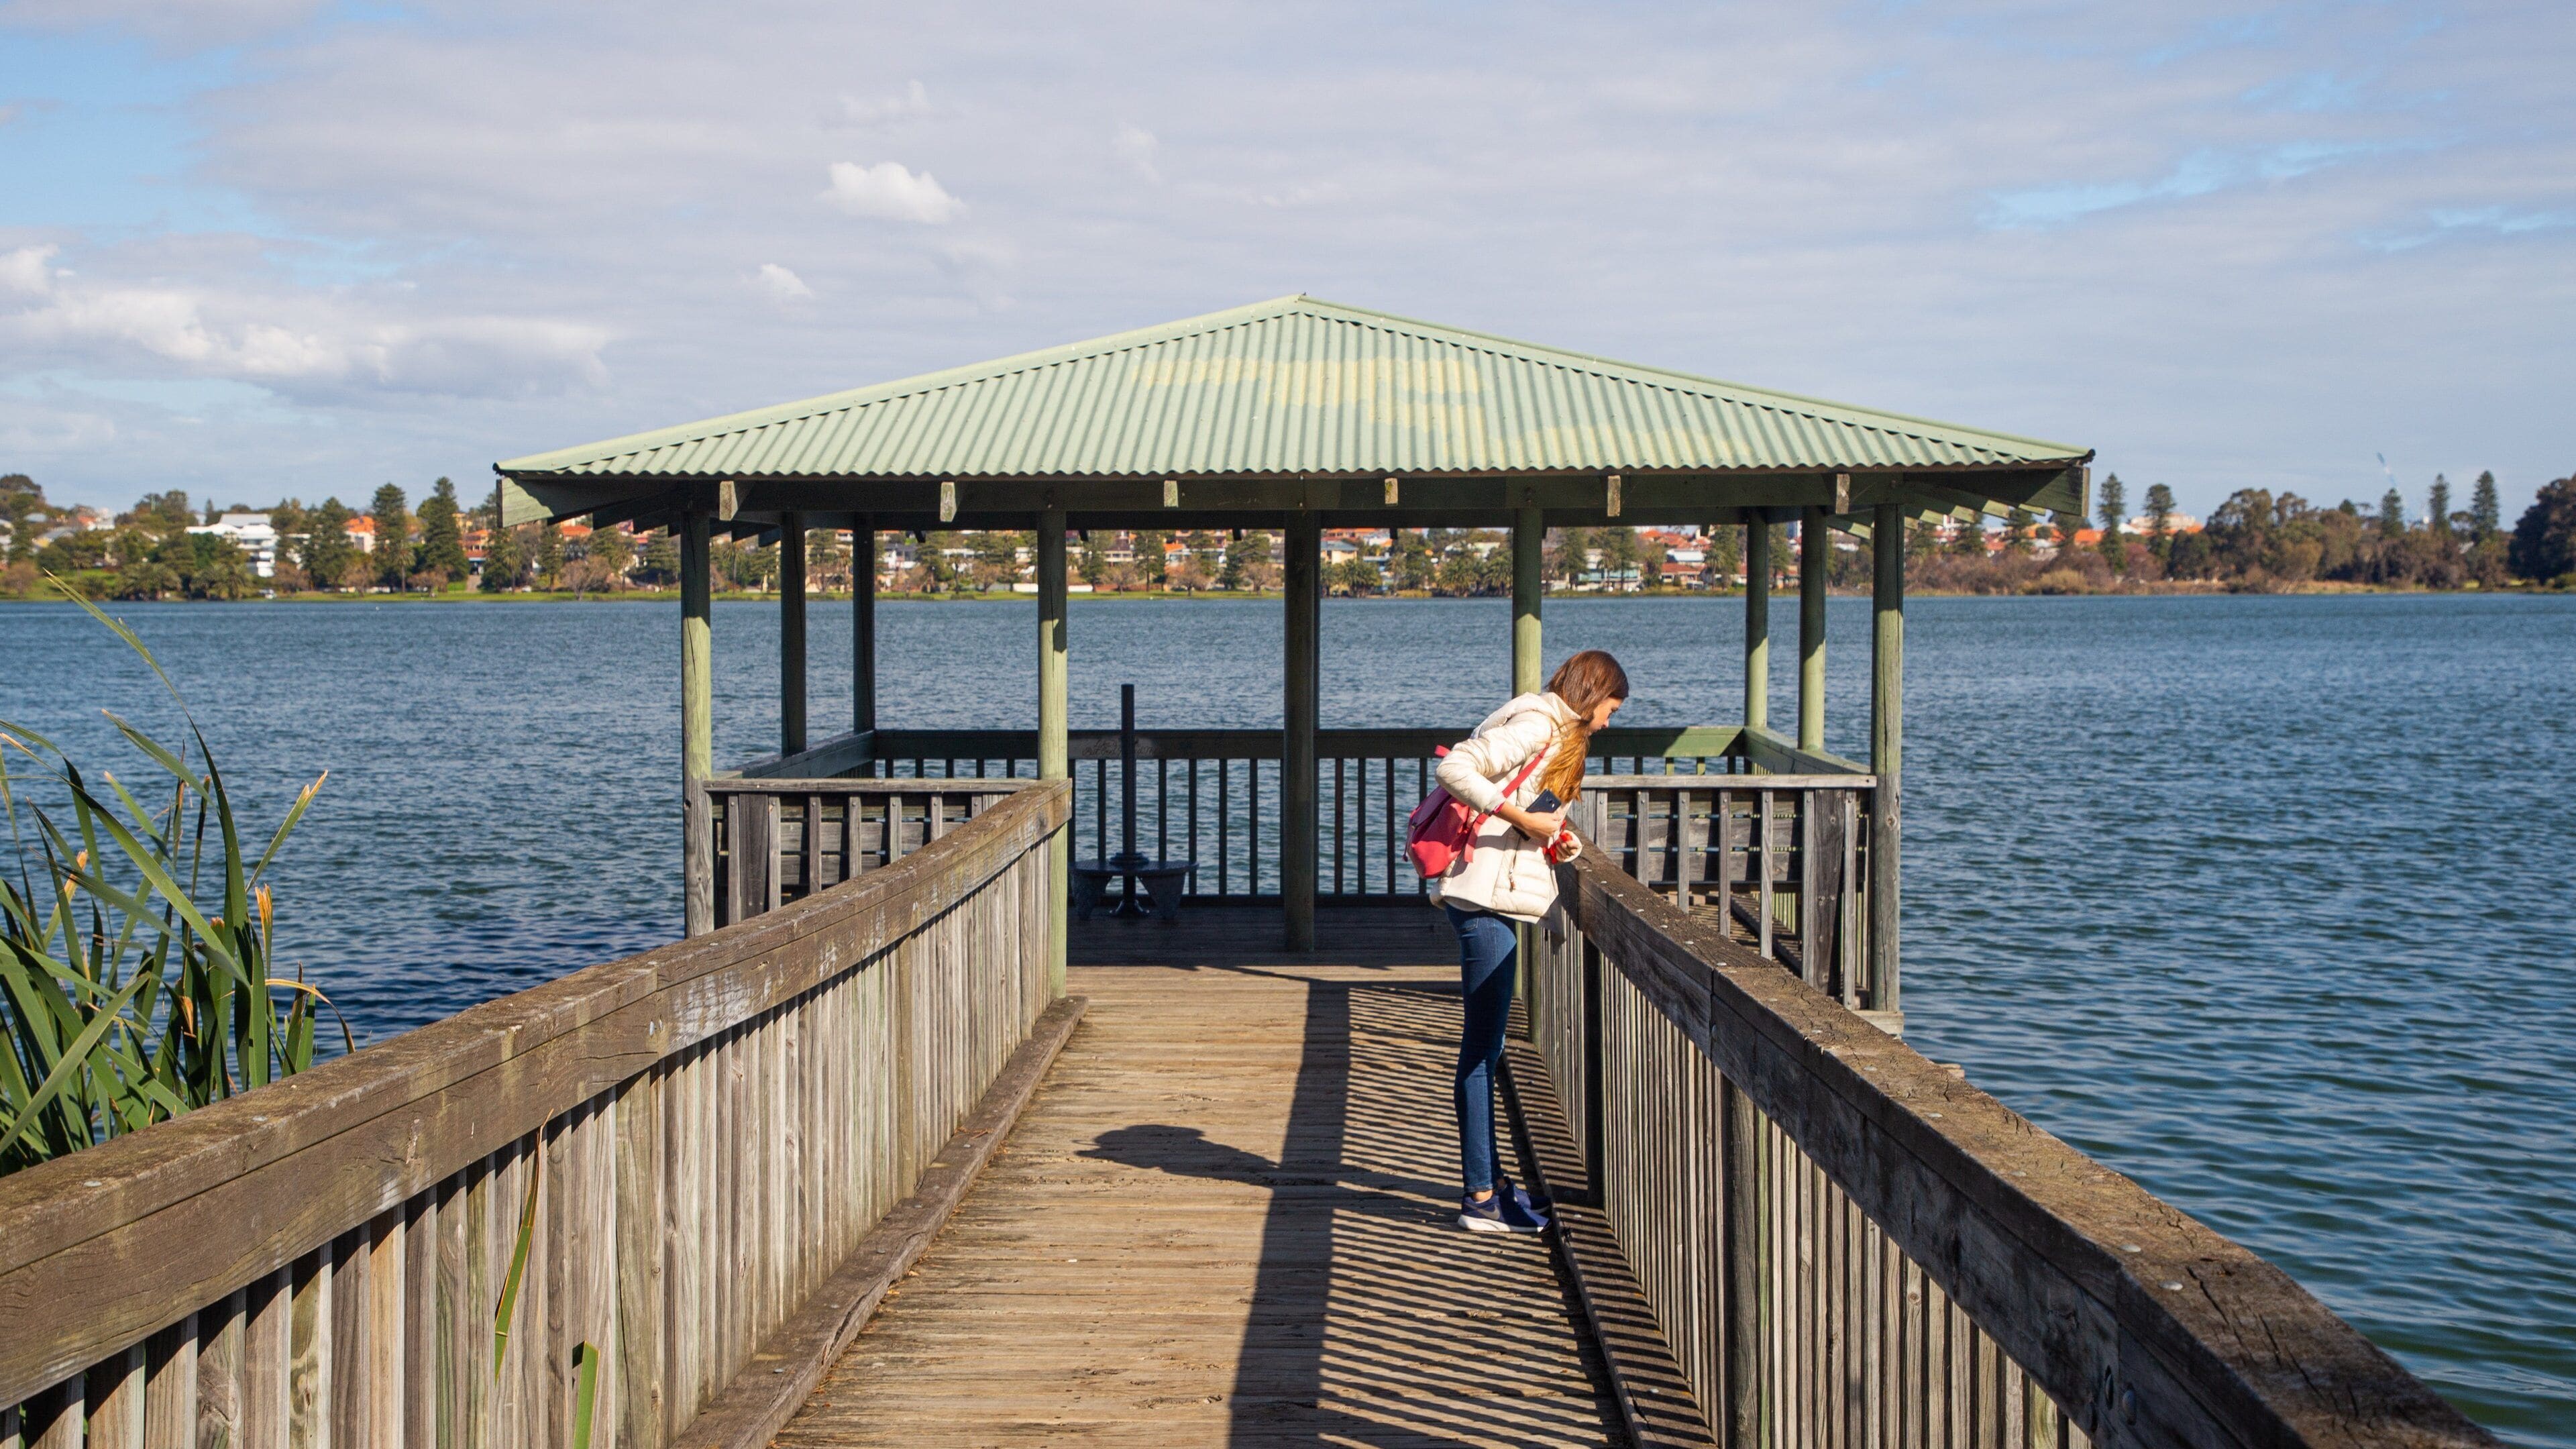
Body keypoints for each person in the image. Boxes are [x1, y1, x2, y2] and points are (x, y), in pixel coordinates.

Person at [1430, 649, 1628, 1234]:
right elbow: (1456, 769)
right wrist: (1521, 815)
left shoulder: (1549, 729)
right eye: (1611, 708)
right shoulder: (1539, 722)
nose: (1609, 723)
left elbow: (1521, 819)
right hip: (1480, 899)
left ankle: (1492, 1185)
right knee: (1481, 1051)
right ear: (1592, 694)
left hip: (1491, 894)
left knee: (1488, 1050)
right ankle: (1480, 1198)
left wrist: (1551, 838)